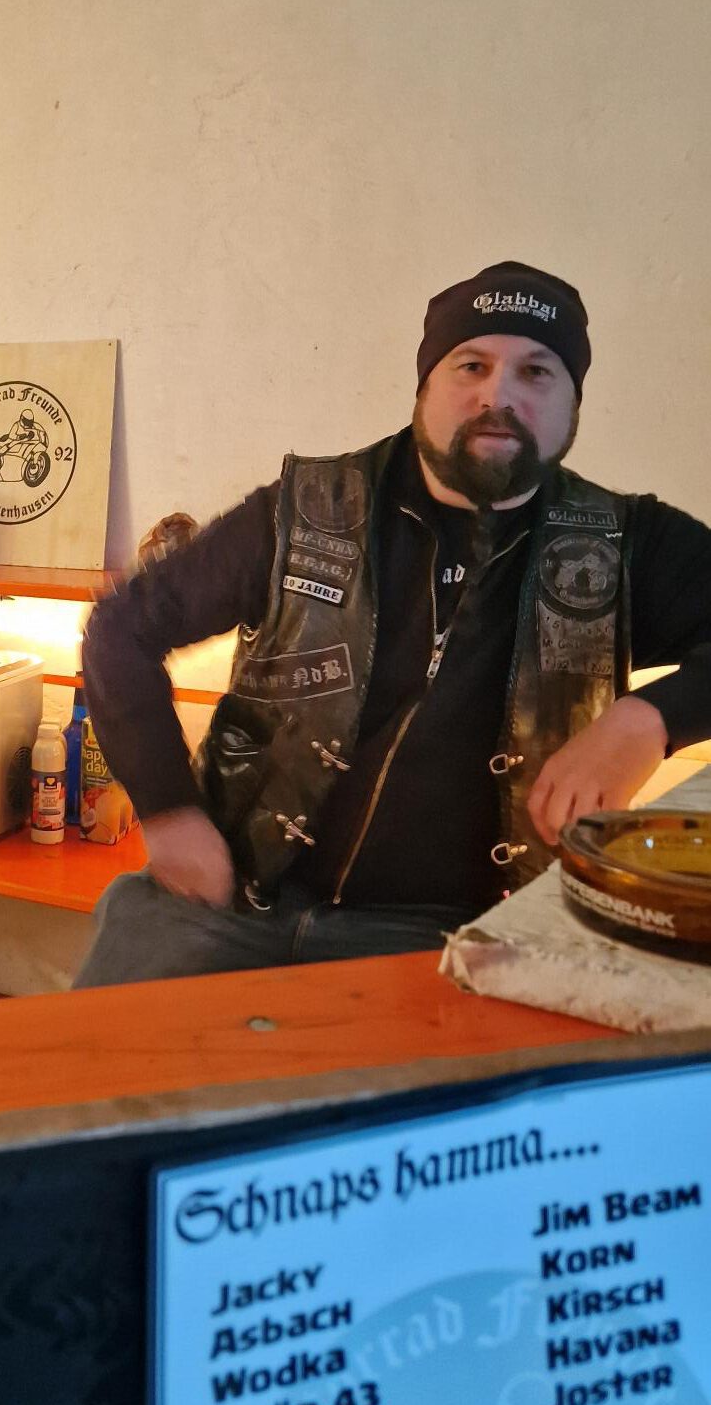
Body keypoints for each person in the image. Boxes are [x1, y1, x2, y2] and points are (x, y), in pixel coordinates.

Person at [74, 261, 711, 988]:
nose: (498, 395)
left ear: (574, 405)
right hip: (222, 901)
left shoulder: (628, 545)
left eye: (537, 372)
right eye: (471, 365)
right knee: (89, 1060)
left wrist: (647, 721)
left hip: (441, 936)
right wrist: (168, 812)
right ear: (425, 386)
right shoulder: (299, 511)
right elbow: (119, 631)